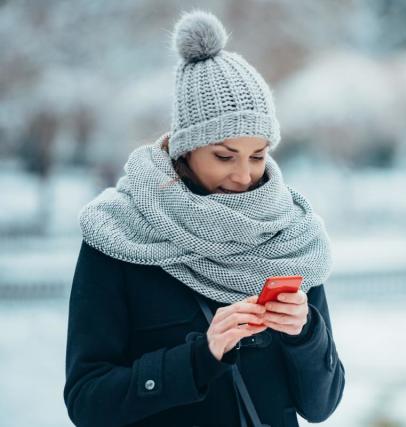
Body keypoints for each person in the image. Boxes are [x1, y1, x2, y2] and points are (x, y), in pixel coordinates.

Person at [63, 10, 345, 427]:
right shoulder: (119, 233)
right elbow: (87, 401)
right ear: (185, 149)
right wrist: (198, 358)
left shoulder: (289, 236)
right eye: (224, 156)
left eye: (257, 155)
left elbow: (320, 406)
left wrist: (305, 334)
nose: (244, 174)